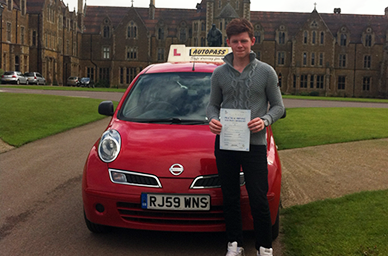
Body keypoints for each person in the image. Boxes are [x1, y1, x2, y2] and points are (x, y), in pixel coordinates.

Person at [206, 18, 285, 256]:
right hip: (226, 143)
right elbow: (212, 106)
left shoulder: (266, 72)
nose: (240, 45)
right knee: (230, 196)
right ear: (228, 43)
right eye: (235, 41)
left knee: (258, 197)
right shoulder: (219, 73)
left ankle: (264, 246)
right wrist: (212, 120)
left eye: (244, 41)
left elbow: (279, 107)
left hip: (255, 143)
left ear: (252, 41)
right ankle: (234, 244)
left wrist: (265, 120)